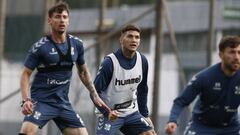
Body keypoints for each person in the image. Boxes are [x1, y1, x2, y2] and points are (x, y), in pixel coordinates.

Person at [19, 2, 111, 135]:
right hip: (41, 102)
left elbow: (83, 72)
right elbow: (25, 74)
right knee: (27, 131)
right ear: (50, 21)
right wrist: (25, 100)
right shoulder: (40, 47)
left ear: (68, 21)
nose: (62, 20)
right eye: (57, 17)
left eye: (65, 17)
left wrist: (95, 95)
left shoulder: (77, 44)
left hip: (63, 103)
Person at [165, 35, 240, 135]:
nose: (236, 57)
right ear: (221, 55)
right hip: (202, 127)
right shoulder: (205, 77)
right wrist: (172, 120)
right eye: (232, 52)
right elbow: (181, 101)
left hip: (230, 128)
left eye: (239, 52)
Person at [94, 24, 156, 135]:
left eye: (137, 37)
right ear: (121, 39)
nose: (134, 40)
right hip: (111, 114)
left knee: (150, 133)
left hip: (131, 112)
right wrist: (106, 112)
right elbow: (94, 93)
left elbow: (143, 89)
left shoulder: (142, 61)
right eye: (130, 36)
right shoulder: (109, 63)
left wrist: (145, 115)